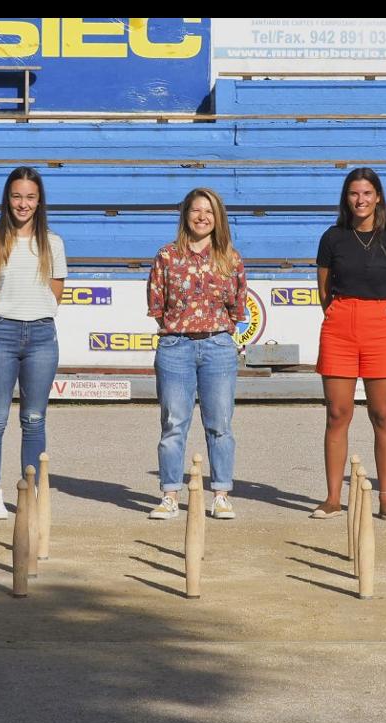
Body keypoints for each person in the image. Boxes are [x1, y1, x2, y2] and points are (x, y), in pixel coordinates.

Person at [310, 168, 386, 522]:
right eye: (354, 194)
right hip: (339, 326)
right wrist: (340, 317)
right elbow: (324, 291)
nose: (361, 200)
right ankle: (333, 498)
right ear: (346, 198)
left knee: (383, 414)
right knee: (337, 413)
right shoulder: (332, 237)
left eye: (367, 193)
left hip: (380, 327)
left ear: (378, 197)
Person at [146, 188, 247, 520]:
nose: (203, 217)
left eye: (210, 211)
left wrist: (214, 329)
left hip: (217, 347)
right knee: (174, 423)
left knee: (219, 424)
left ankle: (220, 494)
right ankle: (170, 495)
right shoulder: (166, 257)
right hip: (175, 346)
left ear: (218, 218)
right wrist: (180, 328)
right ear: (185, 214)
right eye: (196, 210)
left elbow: (237, 308)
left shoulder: (230, 258)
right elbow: (157, 306)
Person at [0, 167, 66, 520]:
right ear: (7, 199)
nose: (23, 204)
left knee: (34, 418)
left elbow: (56, 290)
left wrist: (36, 311)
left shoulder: (53, 244)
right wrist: (6, 314)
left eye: (29, 197)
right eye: (17, 196)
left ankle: (32, 491)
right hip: (0, 335)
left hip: (42, 336)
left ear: (39, 200)